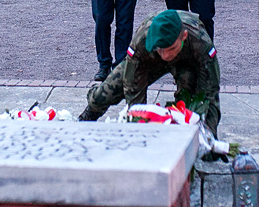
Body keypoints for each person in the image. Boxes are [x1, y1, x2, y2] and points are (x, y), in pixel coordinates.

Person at [78, 10, 220, 137]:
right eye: (161, 49)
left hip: (187, 62)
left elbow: (210, 94)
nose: (165, 55)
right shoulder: (143, 39)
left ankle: (184, 138)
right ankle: (85, 118)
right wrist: (138, 128)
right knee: (105, 93)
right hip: (151, 59)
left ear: (184, 36)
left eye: (170, 48)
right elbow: (133, 88)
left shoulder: (201, 42)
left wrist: (209, 137)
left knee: (190, 102)